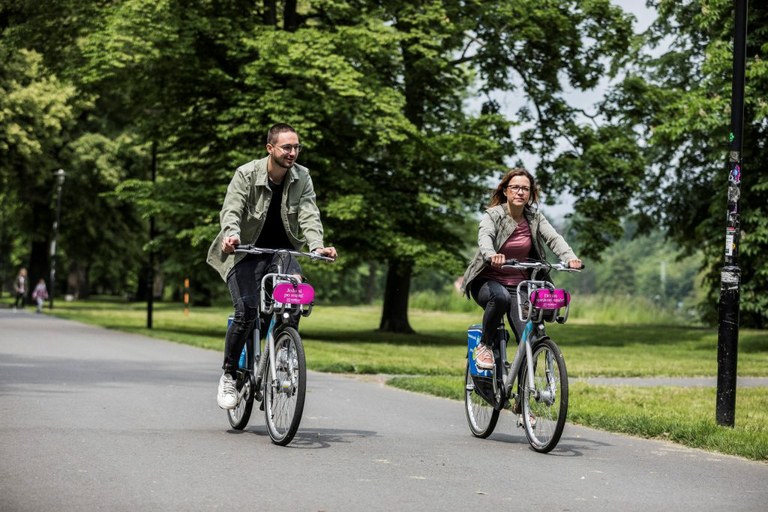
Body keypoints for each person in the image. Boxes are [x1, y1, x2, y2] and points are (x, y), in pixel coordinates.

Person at [207, 123, 337, 410]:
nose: (293, 152)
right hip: (244, 251)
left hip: (283, 252)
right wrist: (231, 235)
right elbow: (232, 208)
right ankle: (229, 374)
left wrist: (317, 246)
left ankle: (284, 356)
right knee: (248, 311)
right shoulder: (246, 174)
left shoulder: (302, 177)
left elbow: (308, 213)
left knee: (294, 299)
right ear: (270, 148)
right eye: (287, 147)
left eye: (296, 147)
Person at [461, 168, 582, 370]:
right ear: (506, 191)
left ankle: (522, 396)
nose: (520, 192)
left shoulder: (534, 218)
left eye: (525, 188)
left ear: (531, 193)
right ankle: (484, 345)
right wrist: (491, 255)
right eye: (515, 187)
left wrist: (570, 258)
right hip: (487, 282)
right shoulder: (493, 215)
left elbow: (553, 238)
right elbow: (485, 238)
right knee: (500, 298)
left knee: (530, 340)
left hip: (520, 286)